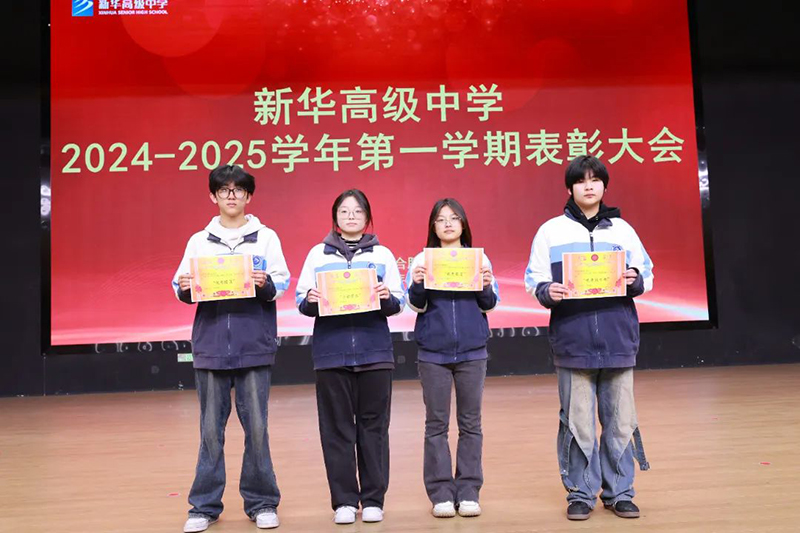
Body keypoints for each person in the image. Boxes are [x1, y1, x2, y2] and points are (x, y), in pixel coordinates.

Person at [524, 155, 653, 521]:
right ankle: (580, 493)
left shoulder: (623, 231)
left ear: (604, 186)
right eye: (581, 181)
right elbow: (534, 279)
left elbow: (646, 273)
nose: (589, 186)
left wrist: (634, 279)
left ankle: (620, 493)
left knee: (621, 421)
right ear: (570, 188)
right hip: (573, 341)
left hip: (618, 339)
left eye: (595, 180)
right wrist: (548, 290)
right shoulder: (550, 231)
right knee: (577, 422)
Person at [172, 165, 290, 532]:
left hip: (254, 344)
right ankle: (203, 507)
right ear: (213, 196)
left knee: (257, 428)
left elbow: (282, 282)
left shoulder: (266, 237)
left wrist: (265, 283)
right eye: (224, 190)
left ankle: (262, 503)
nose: (232, 196)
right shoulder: (199, 240)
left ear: (249, 196)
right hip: (210, 346)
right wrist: (186, 286)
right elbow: (179, 286)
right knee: (210, 431)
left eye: (239, 190)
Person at [294, 189, 405, 525]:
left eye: (357, 211)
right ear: (335, 217)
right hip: (331, 354)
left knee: (374, 429)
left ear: (367, 217)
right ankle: (343, 501)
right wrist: (312, 298)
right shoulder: (317, 254)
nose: (351, 216)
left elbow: (398, 302)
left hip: (375, 353)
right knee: (336, 430)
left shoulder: (382, 254)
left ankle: (373, 500)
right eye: (344, 211)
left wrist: (385, 297)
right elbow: (301, 301)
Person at [405, 198, 499, 518]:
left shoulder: (479, 259)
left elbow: (490, 304)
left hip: (472, 352)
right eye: (441, 219)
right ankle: (441, 493)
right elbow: (415, 305)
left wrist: (485, 286)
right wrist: (418, 284)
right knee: (436, 424)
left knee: (471, 424)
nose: (448, 223)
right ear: (433, 226)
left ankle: (469, 490)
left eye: (454, 218)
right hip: (433, 353)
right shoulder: (423, 259)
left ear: (463, 224)